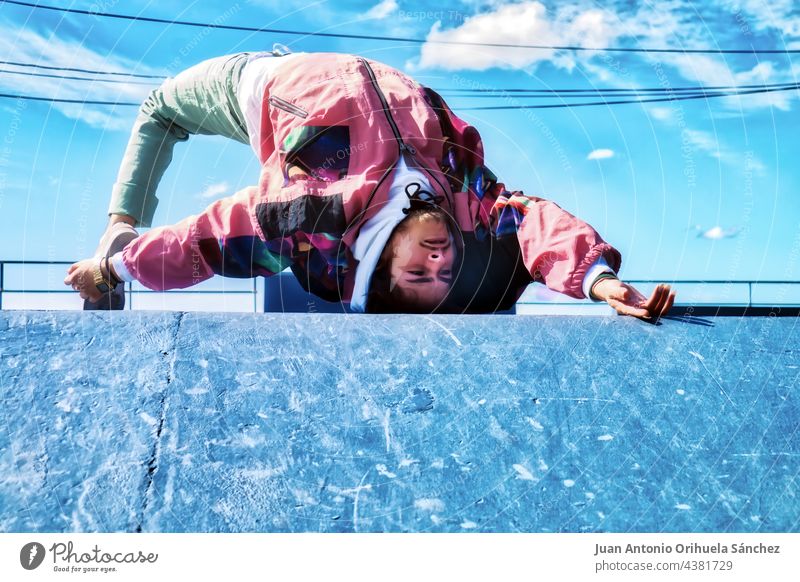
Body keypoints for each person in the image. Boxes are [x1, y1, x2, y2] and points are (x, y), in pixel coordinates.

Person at [64, 49, 675, 319]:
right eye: (444, 272)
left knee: (160, 110)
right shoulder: (460, 195)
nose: (439, 261)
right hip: (359, 76)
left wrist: (117, 267)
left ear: (383, 264)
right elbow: (531, 219)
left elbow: (208, 239)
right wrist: (599, 281)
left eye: (418, 273)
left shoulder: (312, 212)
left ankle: (116, 233)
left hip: (259, 84)